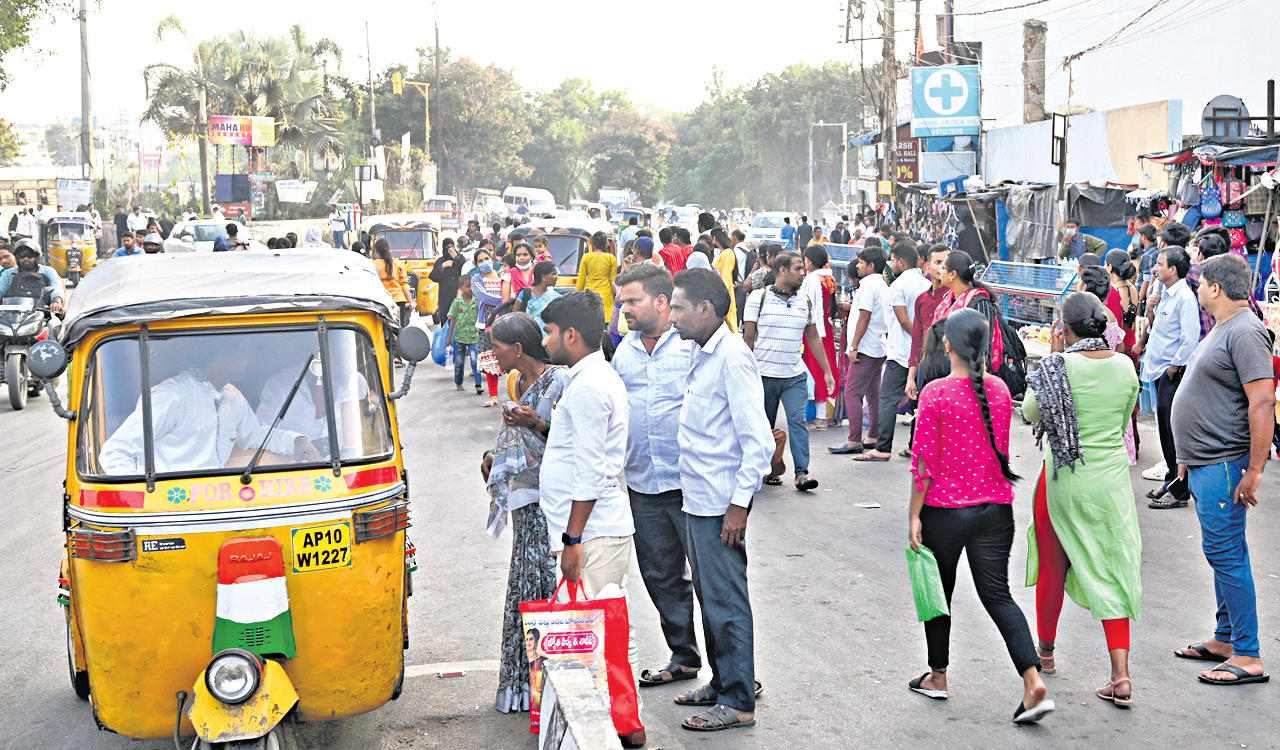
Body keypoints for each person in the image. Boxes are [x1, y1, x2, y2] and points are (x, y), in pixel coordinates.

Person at [907, 307, 1053, 724]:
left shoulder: (935, 393)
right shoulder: (1001, 392)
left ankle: (938, 677)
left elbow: (923, 464)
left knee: (939, 595)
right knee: (998, 596)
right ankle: (1031, 680)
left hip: (944, 512)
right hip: (995, 510)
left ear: (947, 345)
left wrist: (914, 515)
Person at [665, 268, 771, 733]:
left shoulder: (732, 357)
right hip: (697, 497)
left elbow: (759, 442)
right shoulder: (701, 353)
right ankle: (723, 679)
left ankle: (739, 700)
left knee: (726, 603)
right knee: (710, 599)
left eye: (678, 308)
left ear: (706, 310)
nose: (671, 318)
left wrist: (738, 506)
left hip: (720, 506)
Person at [1023, 292, 1142, 707]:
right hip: (1111, 484)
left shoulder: (1058, 366)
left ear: (1065, 327)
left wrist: (1052, 358)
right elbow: (1127, 412)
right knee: (1112, 567)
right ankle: (1121, 675)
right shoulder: (1125, 365)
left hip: (1063, 479)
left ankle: (1046, 653)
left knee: (1053, 566)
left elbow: (1031, 412)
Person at [538, 290, 643, 748]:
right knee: (610, 626)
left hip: (593, 533)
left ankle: (601, 732)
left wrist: (572, 538)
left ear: (572, 335)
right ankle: (624, 723)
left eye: (549, 332)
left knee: (590, 638)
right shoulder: (595, 377)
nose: (544, 342)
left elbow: (591, 471)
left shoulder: (587, 386)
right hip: (598, 529)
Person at [1171, 253, 1274, 686]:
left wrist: (1255, 468)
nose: (1197, 290)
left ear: (1215, 287)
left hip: (1225, 464)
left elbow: (1263, 401)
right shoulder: (1226, 329)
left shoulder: (1247, 331)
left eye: (1200, 283)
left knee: (1227, 555)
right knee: (1225, 553)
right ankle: (1225, 638)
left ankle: (1248, 655)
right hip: (1205, 462)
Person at [611, 264, 704, 690]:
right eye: (622, 300)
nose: (623, 308)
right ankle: (683, 657)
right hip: (643, 485)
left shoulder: (692, 345)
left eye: (633, 300)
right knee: (662, 576)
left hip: (692, 485)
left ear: (662, 302)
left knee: (711, 581)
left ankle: (733, 674)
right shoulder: (624, 351)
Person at [479, 312, 568, 713]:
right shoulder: (516, 382)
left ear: (517, 349)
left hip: (552, 505)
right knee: (523, 590)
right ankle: (523, 688)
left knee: (545, 589)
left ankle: (554, 691)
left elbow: (568, 441)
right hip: (524, 508)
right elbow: (515, 441)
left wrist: (538, 423)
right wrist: (493, 458)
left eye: (496, 346)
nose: (491, 352)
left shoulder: (559, 382)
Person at [99, 338, 322, 475]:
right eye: (244, 352)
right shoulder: (171, 396)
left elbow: (255, 435)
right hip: (170, 514)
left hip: (212, 505)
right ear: (225, 354)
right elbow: (115, 451)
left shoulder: (231, 395)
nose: (248, 360)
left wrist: (296, 440)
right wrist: (140, 502)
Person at [743, 251, 835, 491]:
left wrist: (826, 372)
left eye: (803, 268)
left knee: (798, 422)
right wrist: (742, 373)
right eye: (797, 269)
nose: (803, 273)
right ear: (781, 270)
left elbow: (813, 336)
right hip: (763, 374)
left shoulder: (804, 299)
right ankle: (768, 470)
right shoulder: (757, 297)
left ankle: (801, 473)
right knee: (763, 426)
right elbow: (748, 339)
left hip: (794, 375)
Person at [1132, 246, 1197, 510]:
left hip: (1172, 374)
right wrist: (1149, 309)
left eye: (1159, 264)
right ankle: (1172, 479)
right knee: (1164, 430)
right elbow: (1158, 328)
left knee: (1173, 433)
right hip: (1159, 372)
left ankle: (1180, 490)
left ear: (1173, 269)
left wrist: (1173, 367)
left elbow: (1190, 339)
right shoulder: (1164, 294)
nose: (1154, 268)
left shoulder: (1185, 297)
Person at [861, 242, 931, 461]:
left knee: (888, 399)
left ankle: (883, 447)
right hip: (924, 353)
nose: (891, 265)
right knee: (920, 400)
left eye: (892, 261)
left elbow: (903, 320)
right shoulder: (926, 284)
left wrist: (920, 339)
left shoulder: (898, 286)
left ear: (901, 262)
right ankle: (913, 446)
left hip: (902, 352)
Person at [830, 244, 891, 454]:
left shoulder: (868, 286)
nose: (859, 267)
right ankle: (872, 435)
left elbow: (864, 317)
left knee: (853, 394)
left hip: (865, 346)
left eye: (862, 263)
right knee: (873, 394)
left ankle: (854, 440)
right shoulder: (881, 284)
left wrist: (853, 345)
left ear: (871, 266)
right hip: (877, 345)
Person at [799, 245, 839, 430]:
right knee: (826, 369)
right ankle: (823, 416)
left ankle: (816, 418)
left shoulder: (811, 278)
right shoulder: (828, 277)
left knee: (814, 371)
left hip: (813, 330)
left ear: (810, 261)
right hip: (826, 329)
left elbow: (806, 304)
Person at [471, 247, 506, 407]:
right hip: (487, 322)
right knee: (491, 359)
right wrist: (504, 300)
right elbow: (483, 297)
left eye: (487, 258)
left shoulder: (503, 275)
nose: (485, 262)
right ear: (476, 264)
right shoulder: (476, 279)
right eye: (480, 261)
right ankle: (493, 395)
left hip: (505, 320)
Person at [0, 241, 65, 312]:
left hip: (43, 313)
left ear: (37, 257)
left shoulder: (48, 271)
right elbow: (1, 290)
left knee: (54, 323)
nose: (26, 258)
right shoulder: (8, 274)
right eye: (22, 255)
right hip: (14, 314)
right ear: (17, 258)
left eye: (30, 255)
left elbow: (56, 288)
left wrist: (56, 302)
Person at [447, 279, 482, 393]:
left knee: (474, 361)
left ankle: (478, 385)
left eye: (472, 286)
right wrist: (449, 337)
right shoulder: (457, 302)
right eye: (467, 286)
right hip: (459, 337)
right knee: (459, 361)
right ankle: (459, 382)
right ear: (461, 288)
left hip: (474, 336)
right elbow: (453, 319)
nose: (470, 288)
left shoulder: (477, 301)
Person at [1104, 249, 1139, 362]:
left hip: (1117, 346)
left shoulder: (1111, 290)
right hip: (1131, 343)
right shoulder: (1133, 289)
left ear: (1110, 266)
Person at [575, 231, 618, 322]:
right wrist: (616, 293)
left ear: (593, 243)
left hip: (590, 292)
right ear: (605, 243)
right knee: (605, 320)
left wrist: (577, 294)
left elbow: (581, 280)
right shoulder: (611, 258)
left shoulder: (586, 257)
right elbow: (612, 280)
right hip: (606, 294)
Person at [371, 238, 413, 328]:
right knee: (401, 329)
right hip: (399, 301)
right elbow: (404, 285)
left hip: (383, 303)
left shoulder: (374, 265)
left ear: (376, 251)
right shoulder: (398, 263)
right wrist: (411, 302)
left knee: (385, 330)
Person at [515, 261, 560, 333]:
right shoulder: (526, 293)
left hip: (548, 339)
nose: (557, 277)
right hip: (528, 337)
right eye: (554, 274)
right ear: (543, 277)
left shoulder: (556, 297)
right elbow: (514, 316)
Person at [428, 237, 464, 327]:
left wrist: (456, 257)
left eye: (452, 247)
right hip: (445, 296)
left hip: (458, 294)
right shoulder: (440, 261)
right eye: (448, 247)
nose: (450, 250)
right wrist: (443, 266)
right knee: (445, 320)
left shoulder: (460, 258)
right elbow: (433, 276)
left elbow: (465, 269)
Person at [710, 228, 740, 332]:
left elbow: (726, 278)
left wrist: (722, 298)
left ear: (714, 238)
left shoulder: (727, 254)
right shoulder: (725, 253)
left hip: (724, 295)